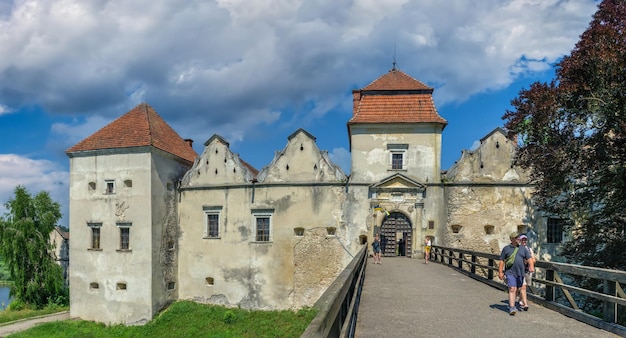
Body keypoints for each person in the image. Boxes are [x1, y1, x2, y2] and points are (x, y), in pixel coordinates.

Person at [498, 232, 534, 315]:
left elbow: (529, 258)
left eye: (519, 237)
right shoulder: (506, 249)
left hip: (520, 273)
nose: (519, 239)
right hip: (510, 272)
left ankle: (513, 304)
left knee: (517, 289)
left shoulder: (523, 248)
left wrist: (531, 266)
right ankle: (512, 308)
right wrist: (500, 272)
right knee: (512, 288)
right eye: (517, 238)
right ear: (512, 239)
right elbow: (501, 261)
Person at [518, 234, 535, 311]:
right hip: (520, 270)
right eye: (522, 240)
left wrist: (530, 262)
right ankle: (525, 304)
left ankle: (520, 299)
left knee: (526, 286)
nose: (524, 241)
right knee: (523, 286)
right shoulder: (517, 249)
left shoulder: (529, 249)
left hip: (528, 270)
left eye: (525, 240)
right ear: (520, 241)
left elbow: (533, 259)